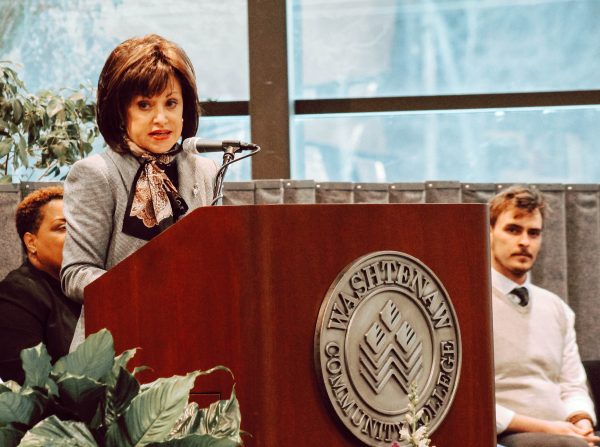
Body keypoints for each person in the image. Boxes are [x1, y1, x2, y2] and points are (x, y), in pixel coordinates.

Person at [60, 34, 217, 302]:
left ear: (184, 109)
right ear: (121, 112)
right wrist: (146, 288)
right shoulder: (96, 173)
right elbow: (75, 274)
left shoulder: (206, 169)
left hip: (193, 329)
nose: (161, 118)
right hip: (120, 332)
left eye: (171, 103)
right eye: (144, 105)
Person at [490, 186, 599, 447]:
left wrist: (581, 421)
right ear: (489, 233)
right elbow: (468, 403)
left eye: (534, 233)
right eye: (513, 229)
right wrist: (550, 429)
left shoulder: (556, 308)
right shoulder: (469, 305)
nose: (524, 242)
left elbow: (572, 386)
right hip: (504, 435)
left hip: (561, 434)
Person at [0, 186, 81, 384]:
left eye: (80, 227)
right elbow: (27, 388)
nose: (77, 236)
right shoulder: (17, 293)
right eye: (62, 227)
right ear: (31, 242)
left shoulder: (84, 288)